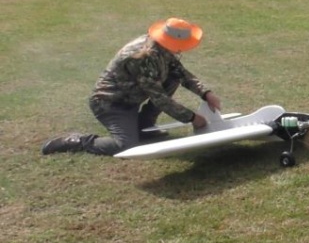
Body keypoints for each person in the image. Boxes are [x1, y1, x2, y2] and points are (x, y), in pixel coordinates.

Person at [42, 18, 222, 156]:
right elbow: (159, 99)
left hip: (132, 98)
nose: (182, 50)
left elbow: (181, 73)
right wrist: (191, 118)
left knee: (173, 77)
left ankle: (144, 127)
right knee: (125, 146)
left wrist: (206, 93)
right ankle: (79, 141)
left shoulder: (162, 48)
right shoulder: (141, 56)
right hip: (112, 104)